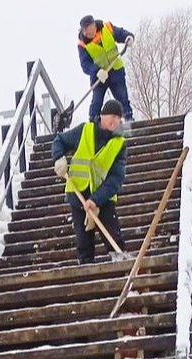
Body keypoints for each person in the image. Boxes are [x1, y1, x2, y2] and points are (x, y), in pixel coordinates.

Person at [52, 99, 132, 265]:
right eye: (112, 116)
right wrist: (58, 157)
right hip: (77, 193)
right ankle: (86, 271)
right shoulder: (84, 130)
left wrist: (95, 200)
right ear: (102, 116)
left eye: (119, 118)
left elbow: (116, 179)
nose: (115, 120)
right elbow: (59, 140)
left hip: (103, 197)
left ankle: (122, 268)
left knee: (113, 237)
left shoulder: (119, 144)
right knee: (83, 242)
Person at [77, 14, 135, 126]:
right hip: (100, 77)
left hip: (116, 70)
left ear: (94, 25)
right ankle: (93, 125)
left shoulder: (107, 27)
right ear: (83, 31)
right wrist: (97, 70)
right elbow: (85, 65)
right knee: (96, 103)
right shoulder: (82, 45)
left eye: (91, 30)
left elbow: (120, 34)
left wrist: (128, 37)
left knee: (123, 98)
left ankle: (128, 120)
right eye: (87, 32)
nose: (90, 34)